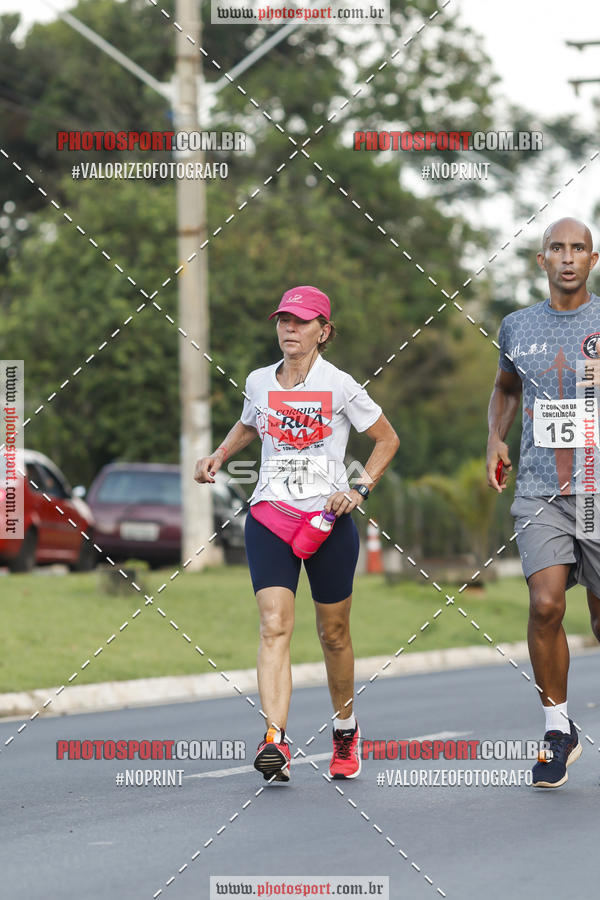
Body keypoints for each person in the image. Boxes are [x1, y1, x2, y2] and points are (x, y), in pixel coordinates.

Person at [194, 286, 399, 782]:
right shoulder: (260, 381)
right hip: (270, 515)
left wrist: (358, 489)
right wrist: (220, 454)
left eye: (302, 321)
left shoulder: (340, 385)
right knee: (273, 625)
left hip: (327, 522)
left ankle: (345, 730)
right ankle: (275, 740)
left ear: (323, 332)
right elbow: (249, 423)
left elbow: (387, 439)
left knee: (333, 634)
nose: (289, 328)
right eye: (284, 319)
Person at [486, 217, 600, 788]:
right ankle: (557, 729)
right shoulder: (517, 326)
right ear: (542, 260)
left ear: (593, 259)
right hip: (539, 487)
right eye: (557, 248)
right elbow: (506, 388)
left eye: (579, 248)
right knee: (546, 605)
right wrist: (495, 437)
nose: (568, 257)